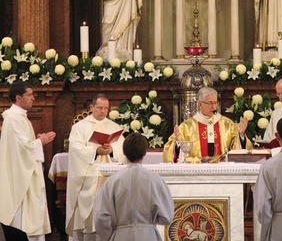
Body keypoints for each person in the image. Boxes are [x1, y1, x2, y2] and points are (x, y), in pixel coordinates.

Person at [0, 81, 56, 241]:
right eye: (29, 95)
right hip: (20, 179)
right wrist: (40, 142)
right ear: (18, 97)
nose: (33, 98)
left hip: (28, 175)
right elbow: (22, 149)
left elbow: (22, 145)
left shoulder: (20, 118)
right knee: (21, 222)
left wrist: (36, 142)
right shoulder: (13, 119)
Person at [66, 93, 126, 241]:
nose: (103, 111)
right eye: (99, 108)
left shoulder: (114, 126)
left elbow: (123, 149)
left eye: (106, 108)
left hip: (110, 177)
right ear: (91, 107)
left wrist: (112, 151)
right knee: (89, 216)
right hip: (88, 177)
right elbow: (75, 150)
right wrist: (95, 151)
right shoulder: (80, 127)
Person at [93, 132, 174, 241]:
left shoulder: (112, 181)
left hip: (120, 236)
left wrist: (111, 236)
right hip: (147, 235)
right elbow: (167, 216)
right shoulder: (155, 180)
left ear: (124, 152)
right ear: (145, 152)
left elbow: (101, 217)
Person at [163, 87, 251, 162]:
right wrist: (178, 143)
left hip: (222, 171)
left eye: (215, 102)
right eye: (210, 103)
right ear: (200, 104)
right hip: (196, 172)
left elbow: (240, 154)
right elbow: (171, 156)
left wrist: (241, 135)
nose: (214, 107)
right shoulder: (186, 127)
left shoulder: (227, 124)